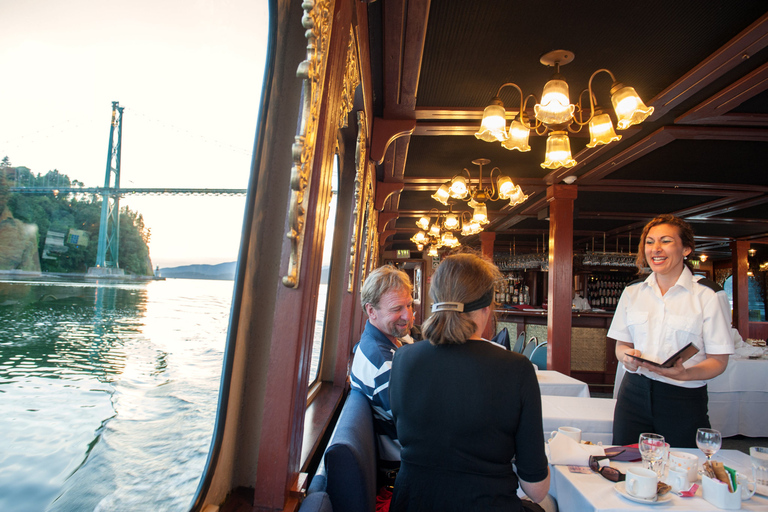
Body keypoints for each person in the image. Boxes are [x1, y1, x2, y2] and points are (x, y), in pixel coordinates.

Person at [389, 252, 551, 512]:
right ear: (486, 307)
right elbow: (536, 488)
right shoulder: (516, 368)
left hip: (413, 504)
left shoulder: (404, 359)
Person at [609, 214, 733, 448]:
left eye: (665, 241)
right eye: (649, 242)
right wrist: (628, 357)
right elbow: (621, 346)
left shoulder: (708, 295)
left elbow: (719, 361)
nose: (655, 249)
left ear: (686, 248)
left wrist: (685, 374)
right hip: (633, 393)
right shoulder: (633, 292)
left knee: (682, 470)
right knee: (626, 463)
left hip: (682, 397)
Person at [349, 265, 414, 479]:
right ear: (371, 311)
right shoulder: (382, 364)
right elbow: (419, 429)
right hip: (406, 470)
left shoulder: (376, 342)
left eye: (409, 305)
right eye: (397, 309)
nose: (407, 315)